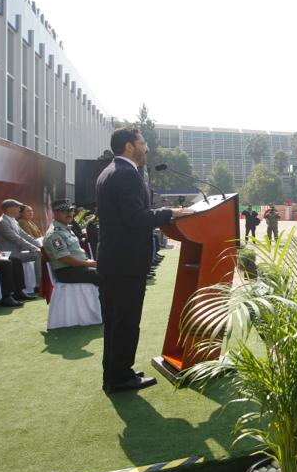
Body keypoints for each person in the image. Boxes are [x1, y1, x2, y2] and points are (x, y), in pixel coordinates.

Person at [96, 128, 192, 393]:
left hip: (114, 261)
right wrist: (171, 212)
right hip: (126, 263)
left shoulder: (109, 172)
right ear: (129, 147)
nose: (146, 148)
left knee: (116, 322)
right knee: (125, 321)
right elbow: (136, 218)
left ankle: (116, 373)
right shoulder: (127, 174)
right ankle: (120, 378)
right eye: (143, 143)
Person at [43, 199, 101, 284]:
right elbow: (66, 259)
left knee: (109, 270)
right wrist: (90, 264)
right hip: (67, 271)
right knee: (104, 275)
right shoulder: (54, 234)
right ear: (55, 213)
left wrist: (92, 263)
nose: (69, 213)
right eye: (64, 211)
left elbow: (78, 255)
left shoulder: (66, 229)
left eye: (71, 210)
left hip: (79, 267)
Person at [0, 198, 42, 287]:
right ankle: (38, 285)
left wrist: (40, 246)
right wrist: (35, 248)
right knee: (38, 255)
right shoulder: (1, 223)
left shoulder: (13, 221)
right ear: (9, 209)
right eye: (17, 207)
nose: (19, 209)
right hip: (8, 254)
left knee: (40, 252)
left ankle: (38, 284)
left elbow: (25, 236)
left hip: (17, 252)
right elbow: (17, 239)